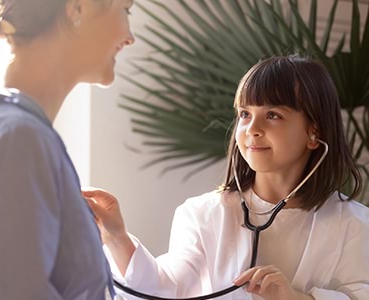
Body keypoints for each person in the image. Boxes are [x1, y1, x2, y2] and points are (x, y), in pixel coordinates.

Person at [83, 55, 369, 300]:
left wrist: (298, 298)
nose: (252, 129)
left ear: (313, 133)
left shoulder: (355, 225)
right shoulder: (204, 214)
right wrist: (116, 237)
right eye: (245, 114)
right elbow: (162, 291)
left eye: (273, 115)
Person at [0, 0, 134, 299]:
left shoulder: (12, 133)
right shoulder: (16, 139)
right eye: (126, 9)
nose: (130, 36)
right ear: (77, 9)